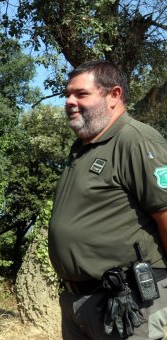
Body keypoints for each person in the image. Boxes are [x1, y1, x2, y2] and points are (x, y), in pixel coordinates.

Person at [48, 60, 167, 339]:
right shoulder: (82, 148)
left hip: (129, 303)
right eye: (67, 94)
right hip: (79, 303)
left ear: (113, 95)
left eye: (81, 94)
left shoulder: (136, 141)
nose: (69, 101)